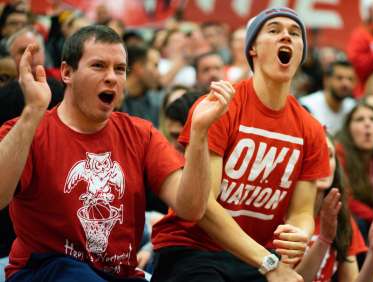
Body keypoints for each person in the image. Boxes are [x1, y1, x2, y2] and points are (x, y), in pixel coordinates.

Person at [0, 25, 233, 281]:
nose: (112, 77)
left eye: (119, 69)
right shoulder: (28, 129)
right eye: (98, 66)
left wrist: (199, 134)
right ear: (67, 72)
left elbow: (191, 208)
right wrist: (32, 111)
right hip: (44, 269)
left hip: (119, 273)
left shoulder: (140, 133)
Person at [151, 7, 330, 282]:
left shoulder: (311, 128)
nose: (286, 37)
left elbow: (303, 211)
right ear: (252, 50)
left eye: (294, 34)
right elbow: (204, 208)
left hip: (255, 257)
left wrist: (299, 233)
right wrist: (269, 263)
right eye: (274, 31)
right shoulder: (220, 106)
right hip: (193, 248)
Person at [296, 135, 373, 282]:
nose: (323, 162)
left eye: (330, 156)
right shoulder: (279, 214)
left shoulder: (339, 216)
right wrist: (324, 240)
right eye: (315, 153)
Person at [299, 59, 357, 136]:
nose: (345, 83)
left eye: (350, 79)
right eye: (339, 78)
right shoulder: (307, 105)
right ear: (326, 80)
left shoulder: (353, 108)